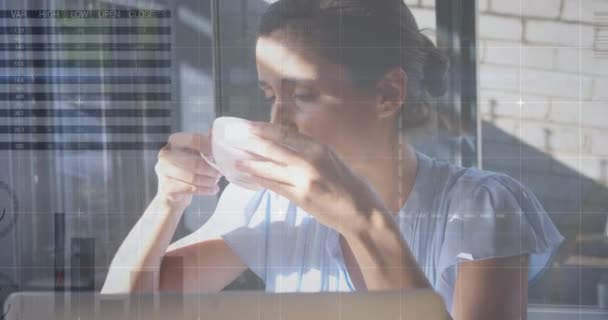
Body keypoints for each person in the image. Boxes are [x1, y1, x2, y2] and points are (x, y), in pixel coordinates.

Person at [102, 0, 564, 318]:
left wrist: (363, 222)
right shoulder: (266, 206)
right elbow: (122, 311)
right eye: (269, 93)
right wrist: (167, 201)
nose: (278, 120)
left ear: (387, 93)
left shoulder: (482, 207)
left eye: (302, 95)